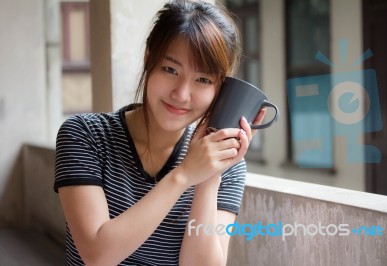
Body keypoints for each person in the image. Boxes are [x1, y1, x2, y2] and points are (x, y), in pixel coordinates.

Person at [54, 0, 266, 265]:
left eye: (203, 80)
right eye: (170, 70)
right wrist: (183, 175)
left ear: (220, 88)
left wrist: (209, 177)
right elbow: (98, 255)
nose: (181, 94)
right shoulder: (84, 135)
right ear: (149, 58)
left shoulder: (227, 166)